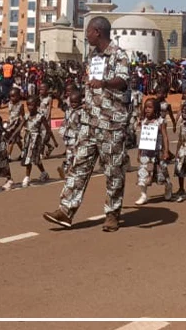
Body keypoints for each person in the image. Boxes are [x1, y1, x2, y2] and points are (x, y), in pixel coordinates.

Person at [43, 16, 132, 232]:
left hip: (111, 124)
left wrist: (104, 83)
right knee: (79, 166)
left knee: (113, 172)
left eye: (89, 32)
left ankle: (112, 214)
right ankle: (65, 210)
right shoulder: (93, 55)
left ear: (98, 32)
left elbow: (123, 81)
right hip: (90, 122)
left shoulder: (119, 55)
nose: (86, 36)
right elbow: (91, 82)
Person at [135, 97, 173, 204]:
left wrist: (166, 151)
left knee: (163, 173)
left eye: (150, 107)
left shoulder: (160, 122)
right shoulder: (144, 122)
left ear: (156, 109)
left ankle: (168, 187)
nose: (147, 109)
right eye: (145, 107)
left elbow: (165, 137)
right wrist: (139, 152)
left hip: (158, 153)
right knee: (143, 174)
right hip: (146, 153)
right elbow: (142, 138)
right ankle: (143, 195)